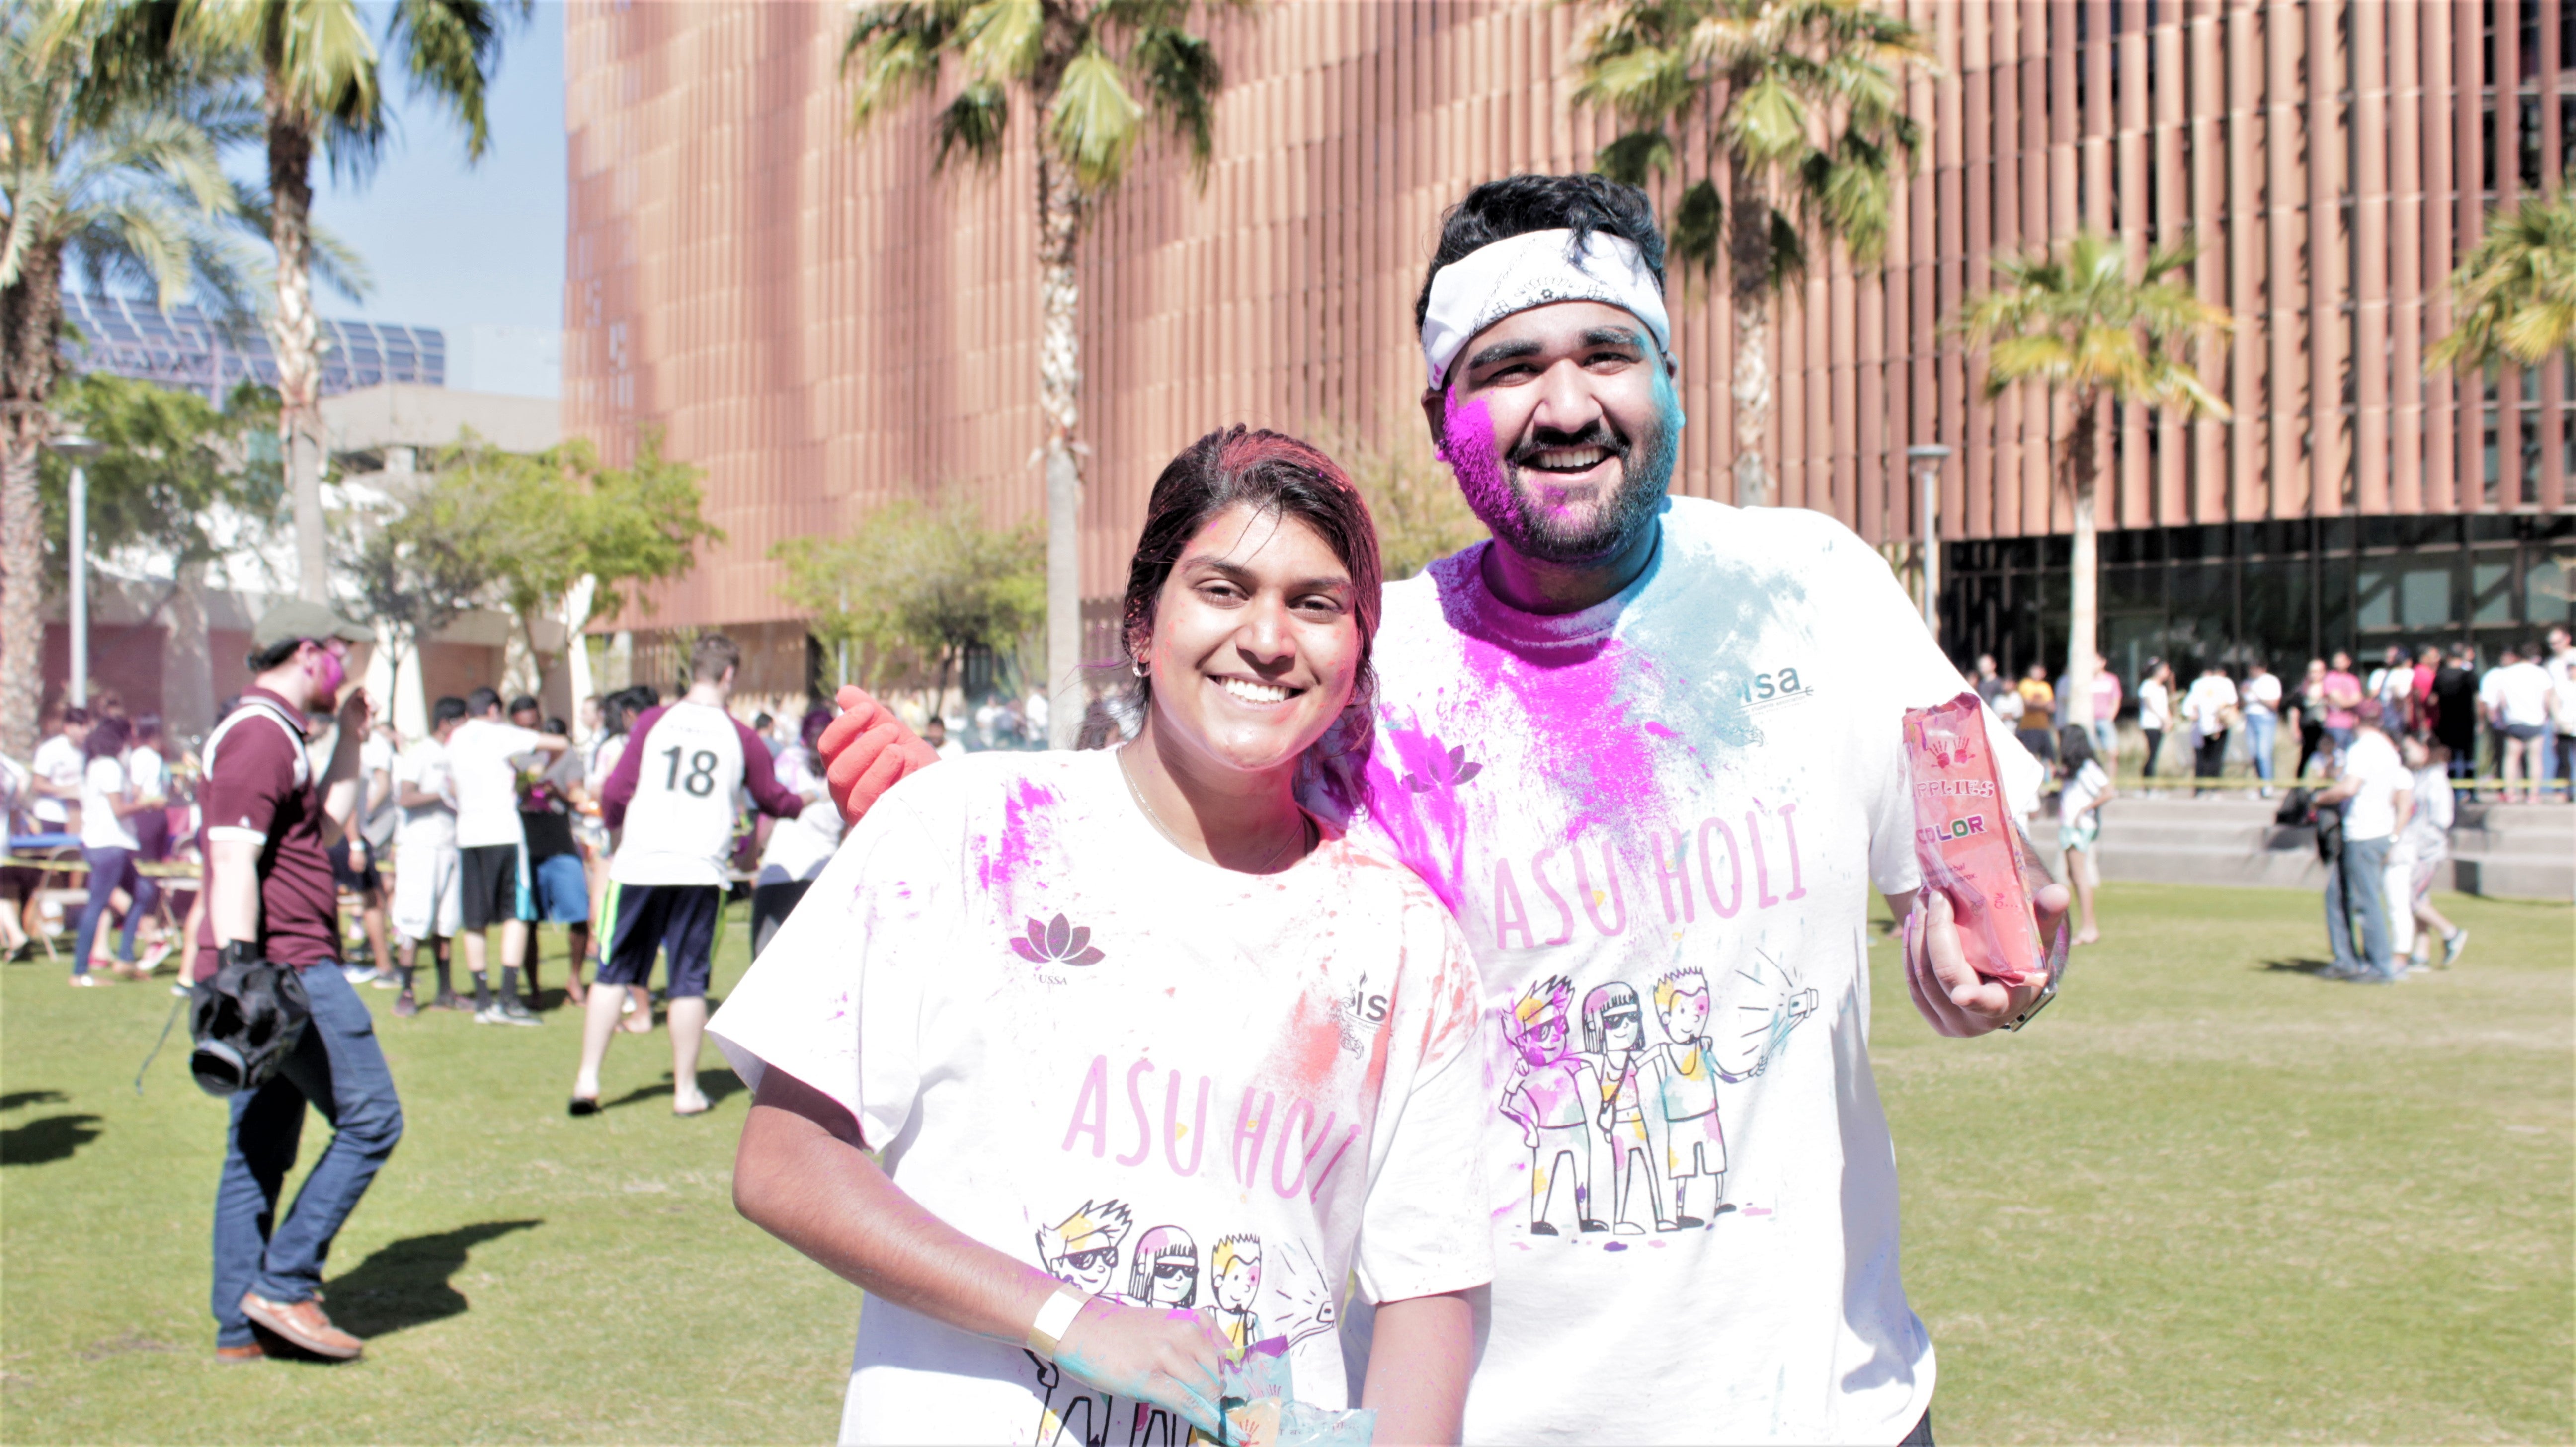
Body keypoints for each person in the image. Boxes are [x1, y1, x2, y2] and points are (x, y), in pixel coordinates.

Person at [814, 174, 2064, 1445]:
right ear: (1439, 414)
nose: (1567, 405)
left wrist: (1998, 961)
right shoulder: (1367, 665)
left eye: (1607, 355)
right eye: (1510, 366)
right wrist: (981, 811)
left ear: (1668, 378)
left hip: (1826, 1415)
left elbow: (1970, 900)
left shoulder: (1814, 590)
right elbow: (1161, 836)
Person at [717, 428, 1489, 1446]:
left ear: (1357, 652)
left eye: (1315, 603)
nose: (1267, 637)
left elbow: (1431, 1287)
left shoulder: (1407, 941)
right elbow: (784, 1163)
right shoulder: (960, 829)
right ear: (1141, 622)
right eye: (1223, 589)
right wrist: (1074, 1320)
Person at [197, 600, 403, 1362]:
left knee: (258, 1145)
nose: (347, 672)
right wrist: (245, 975)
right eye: (342, 655)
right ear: (311, 651)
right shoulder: (257, 734)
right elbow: (231, 861)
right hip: (285, 972)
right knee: (373, 1118)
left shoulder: (281, 734)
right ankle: (284, 1287)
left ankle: (237, 1325)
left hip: (275, 968)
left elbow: (322, 833)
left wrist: (350, 739)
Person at [572, 635, 808, 1117]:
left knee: (612, 972)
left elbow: (618, 790)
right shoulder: (739, 735)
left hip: (641, 863)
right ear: (729, 675)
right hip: (700, 870)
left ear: (693, 670)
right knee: (687, 981)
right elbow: (772, 797)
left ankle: (587, 1080)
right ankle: (685, 1090)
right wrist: (808, 801)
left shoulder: (652, 722)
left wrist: (617, 830)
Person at [445, 688, 570, 1025]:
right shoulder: (499, 733)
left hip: (468, 833)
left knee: (475, 918)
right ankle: (510, 998)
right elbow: (559, 744)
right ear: (494, 709)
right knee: (515, 914)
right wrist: (535, 774)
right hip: (503, 832)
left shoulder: (456, 738)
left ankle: (483, 1000)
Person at [2311, 700, 2412, 984]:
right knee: (2338, 895)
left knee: (2365, 901)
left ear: (2356, 721)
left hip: (2363, 832)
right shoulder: (2388, 750)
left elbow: (2350, 787)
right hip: (2375, 830)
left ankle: (2379, 966)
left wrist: (2318, 798)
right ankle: (2347, 960)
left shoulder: (2362, 749)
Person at [71, 715, 165, 984]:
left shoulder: (96, 765)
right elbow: (120, 809)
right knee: (97, 904)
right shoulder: (110, 767)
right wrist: (150, 803)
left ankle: (125, 957)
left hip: (109, 843)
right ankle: (80, 972)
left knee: (143, 892)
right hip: (108, 844)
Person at [390, 696, 468, 1015]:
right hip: (421, 847)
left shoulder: (456, 755)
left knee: (445, 920)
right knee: (414, 917)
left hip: (450, 844)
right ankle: (406, 990)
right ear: (447, 723)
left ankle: (446, 990)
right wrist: (441, 795)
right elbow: (404, 796)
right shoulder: (422, 752)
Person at [749, 706, 838, 959]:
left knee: (764, 973)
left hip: (779, 872)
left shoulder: (788, 761)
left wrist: (750, 855)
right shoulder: (842, 770)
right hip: (823, 879)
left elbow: (769, 816)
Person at [518, 713, 594, 1004]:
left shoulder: (569, 759)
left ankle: (575, 979)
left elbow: (576, 801)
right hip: (530, 848)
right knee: (529, 920)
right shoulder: (520, 757)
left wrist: (555, 790)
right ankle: (534, 988)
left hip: (562, 848)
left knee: (578, 915)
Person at [326, 719, 397, 988]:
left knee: (333, 898)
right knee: (372, 900)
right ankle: (384, 967)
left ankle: (339, 961)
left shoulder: (336, 751)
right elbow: (346, 804)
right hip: (346, 835)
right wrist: (356, 843)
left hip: (333, 835)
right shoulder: (349, 756)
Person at [2395, 735, 2467, 970]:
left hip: (2428, 850)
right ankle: (2421, 954)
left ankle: (2450, 932)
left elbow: (2442, 818)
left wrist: (2423, 842)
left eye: (2410, 749)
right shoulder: (2419, 776)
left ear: (2424, 749)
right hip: (2416, 847)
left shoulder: (2436, 779)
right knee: (2420, 899)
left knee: (2410, 898)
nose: (2406, 755)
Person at [2057, 724, 2112, 947]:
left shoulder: (2088, 768)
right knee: (2073, 873)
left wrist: (2085, 809)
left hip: (2079, 827)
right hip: (2070, 825)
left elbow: (2109, 791)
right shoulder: (2075, 770)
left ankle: (2090, 927)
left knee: (2079, 875)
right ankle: (2087, 926)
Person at [2482, 642, 2556, 804]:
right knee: (2535, 759)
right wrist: (2547, 717)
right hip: (2536, 721)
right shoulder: (2541, 674)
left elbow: (2501, 700)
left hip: (2514, 721)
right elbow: (2548, 699)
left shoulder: (2506, 674)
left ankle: (2510, 793)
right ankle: (2533, 794)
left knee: (2511, 759)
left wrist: (2502, 719)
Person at [30, 704, 90, 837]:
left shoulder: (90, 751)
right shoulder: (50, 749)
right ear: (67, 728)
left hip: (80, 816)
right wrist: (67, 790)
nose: (85, 731)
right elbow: (37, 784)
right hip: (51, 816)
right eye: (80, 726)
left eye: (87, 726)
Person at [2180, 662, 2239, 795]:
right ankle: (2214, 789)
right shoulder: (2226, 683)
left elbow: (2188, 709)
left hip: (2201, 726)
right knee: (2216, 757)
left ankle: (2200, 789)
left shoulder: (2199, 684)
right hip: (2220, 725)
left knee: (2202, 758)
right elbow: (2232, 703)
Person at [2432, 645, 2480, 795]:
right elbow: (2479, 700)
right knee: (2468, 756)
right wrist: (2481, 720)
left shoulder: (2440, 676)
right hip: (2466, 721)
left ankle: (2450, 790)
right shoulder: (2469, 675)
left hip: (2446, 722)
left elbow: (2432, 700)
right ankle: (2470, 791)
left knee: (2449, 757)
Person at [2240, 660, 2283, 796]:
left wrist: (2257, 696)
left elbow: (2274, 705)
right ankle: (2259, 785)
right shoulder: (2247, 682)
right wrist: (2243, 695)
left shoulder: (2271, 681)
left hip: (2266, 719)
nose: (2253, 671)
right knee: (2254, 754)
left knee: (2263, 753)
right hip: (2250, 718)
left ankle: (2267, 785)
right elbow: (2242, 704)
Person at [2547, 625, 2576, 801]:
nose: (2554, 646)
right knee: (2563, 759)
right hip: (2563, 724)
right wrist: (2555, 721)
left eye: (2557, 642)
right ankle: (2562, 792)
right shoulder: (2553, 665)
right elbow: (2553, 699)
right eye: (2551, 643)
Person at [2138, 657, 2175, 785]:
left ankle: (2150, 784)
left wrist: (2169, 721)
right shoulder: (2147, 685)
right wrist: (2163, 719)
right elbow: (2150, 705)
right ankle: (2148, 785)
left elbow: (2165, 707)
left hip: (2160, 725)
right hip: (2150, 724)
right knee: (2152, 754)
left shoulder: (2162, 689)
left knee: (2155, 755)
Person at [2320, 650, 2364, 753]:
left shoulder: (2353, 680)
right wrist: (2351, 702)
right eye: (2337, 661)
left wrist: (2347, 702)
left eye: (2342, 661)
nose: (2339, 663)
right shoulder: (2330, 679)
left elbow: (2359, 700)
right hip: (2335, 725)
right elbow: (2340, 701)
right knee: (2337, 755)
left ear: (2348, 662)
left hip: (2352, 725)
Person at [2014, 660, 2058, 764]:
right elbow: (2028, 706)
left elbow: (2052, 707)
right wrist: (2044, 706)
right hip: (2028, 727)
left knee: (2048, 756)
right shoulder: (2025, 684)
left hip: (2044, 726)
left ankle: (2048, 778)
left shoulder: (2046, 687)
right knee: (2031, 755)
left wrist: (2038, 705)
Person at [2290, 657, 2328, 778]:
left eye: (2318, 671)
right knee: (2305, 758)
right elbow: (2294, 711)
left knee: (2326, 760)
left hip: (2326, 730)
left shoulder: (2329, 688)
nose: (2314, 675)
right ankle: (2298, 788)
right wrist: (2295, 730)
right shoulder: (2302, 690)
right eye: (2312, 671)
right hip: (2309, 730)